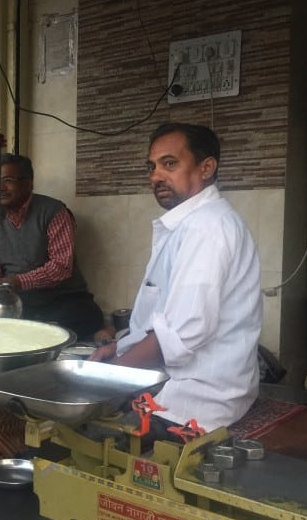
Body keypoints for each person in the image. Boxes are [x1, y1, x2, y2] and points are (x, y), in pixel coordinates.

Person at [90, 123, 261, 442]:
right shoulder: (191, 224)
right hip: (179, 386)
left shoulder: (206, 229)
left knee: (89, 437)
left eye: (169, 164)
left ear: (206, 167)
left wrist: (105, 378)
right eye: (152, 167)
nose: (155, 176)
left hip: (195, 404)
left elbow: (178, 336)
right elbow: (164, 322)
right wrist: (118, 348)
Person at [0, 153, 104, 339]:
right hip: (19, 302)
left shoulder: (53, 212)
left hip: (63, 300)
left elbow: (61, 267)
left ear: (28, 184)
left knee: (81, 318)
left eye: (8, 180)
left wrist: (17, 282)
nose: (0, 188)